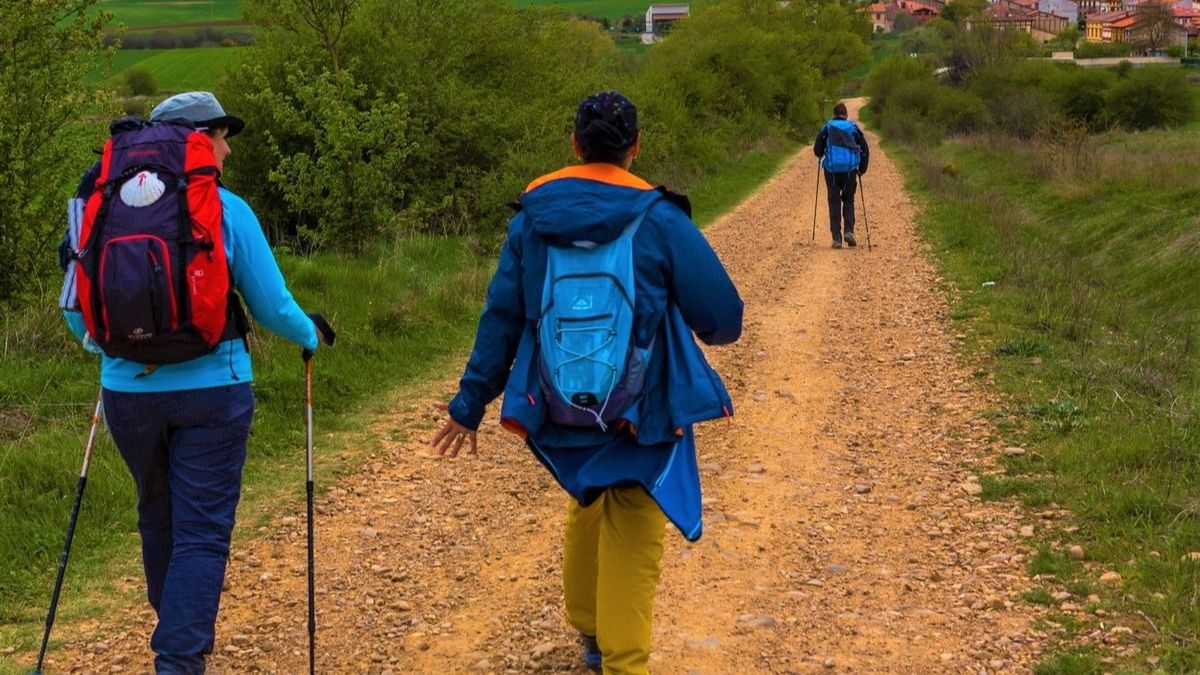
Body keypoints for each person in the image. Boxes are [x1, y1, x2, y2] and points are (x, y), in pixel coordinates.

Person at [431, 91, 743, 674]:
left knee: (587, 491)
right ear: (635, 147)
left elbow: (501, 318)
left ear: (574, 145)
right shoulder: (658, 219)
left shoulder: (531, 220)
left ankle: (592, 632)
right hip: (640, 414)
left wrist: (469, 403)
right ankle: (623, 663)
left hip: (558, 409)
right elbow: (724, 320)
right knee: (634, 517)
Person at [60, 91, 334, 673]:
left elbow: (74, 309)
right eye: (221, 134)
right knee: (202, 533)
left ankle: (178, 624)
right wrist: (308, 334)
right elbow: (271, 303)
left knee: (156, 514)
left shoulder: (97, 205)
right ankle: (179, 656)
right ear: (196, 138)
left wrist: (113, 348)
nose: (228, 149)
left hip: (127, 396)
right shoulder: (227, 209)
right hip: (214, 391)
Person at [813, 101, 870, 249]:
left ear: (834, 114)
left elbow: (817, 149)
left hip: (831, 171)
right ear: (846, 114)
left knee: (834, 202)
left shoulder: (827, 127)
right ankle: (849, 231)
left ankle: (837, 238)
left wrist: (821, 154)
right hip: (850, 171)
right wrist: (861, 169)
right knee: (849, 200)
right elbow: (865, 149)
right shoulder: (852, 128)